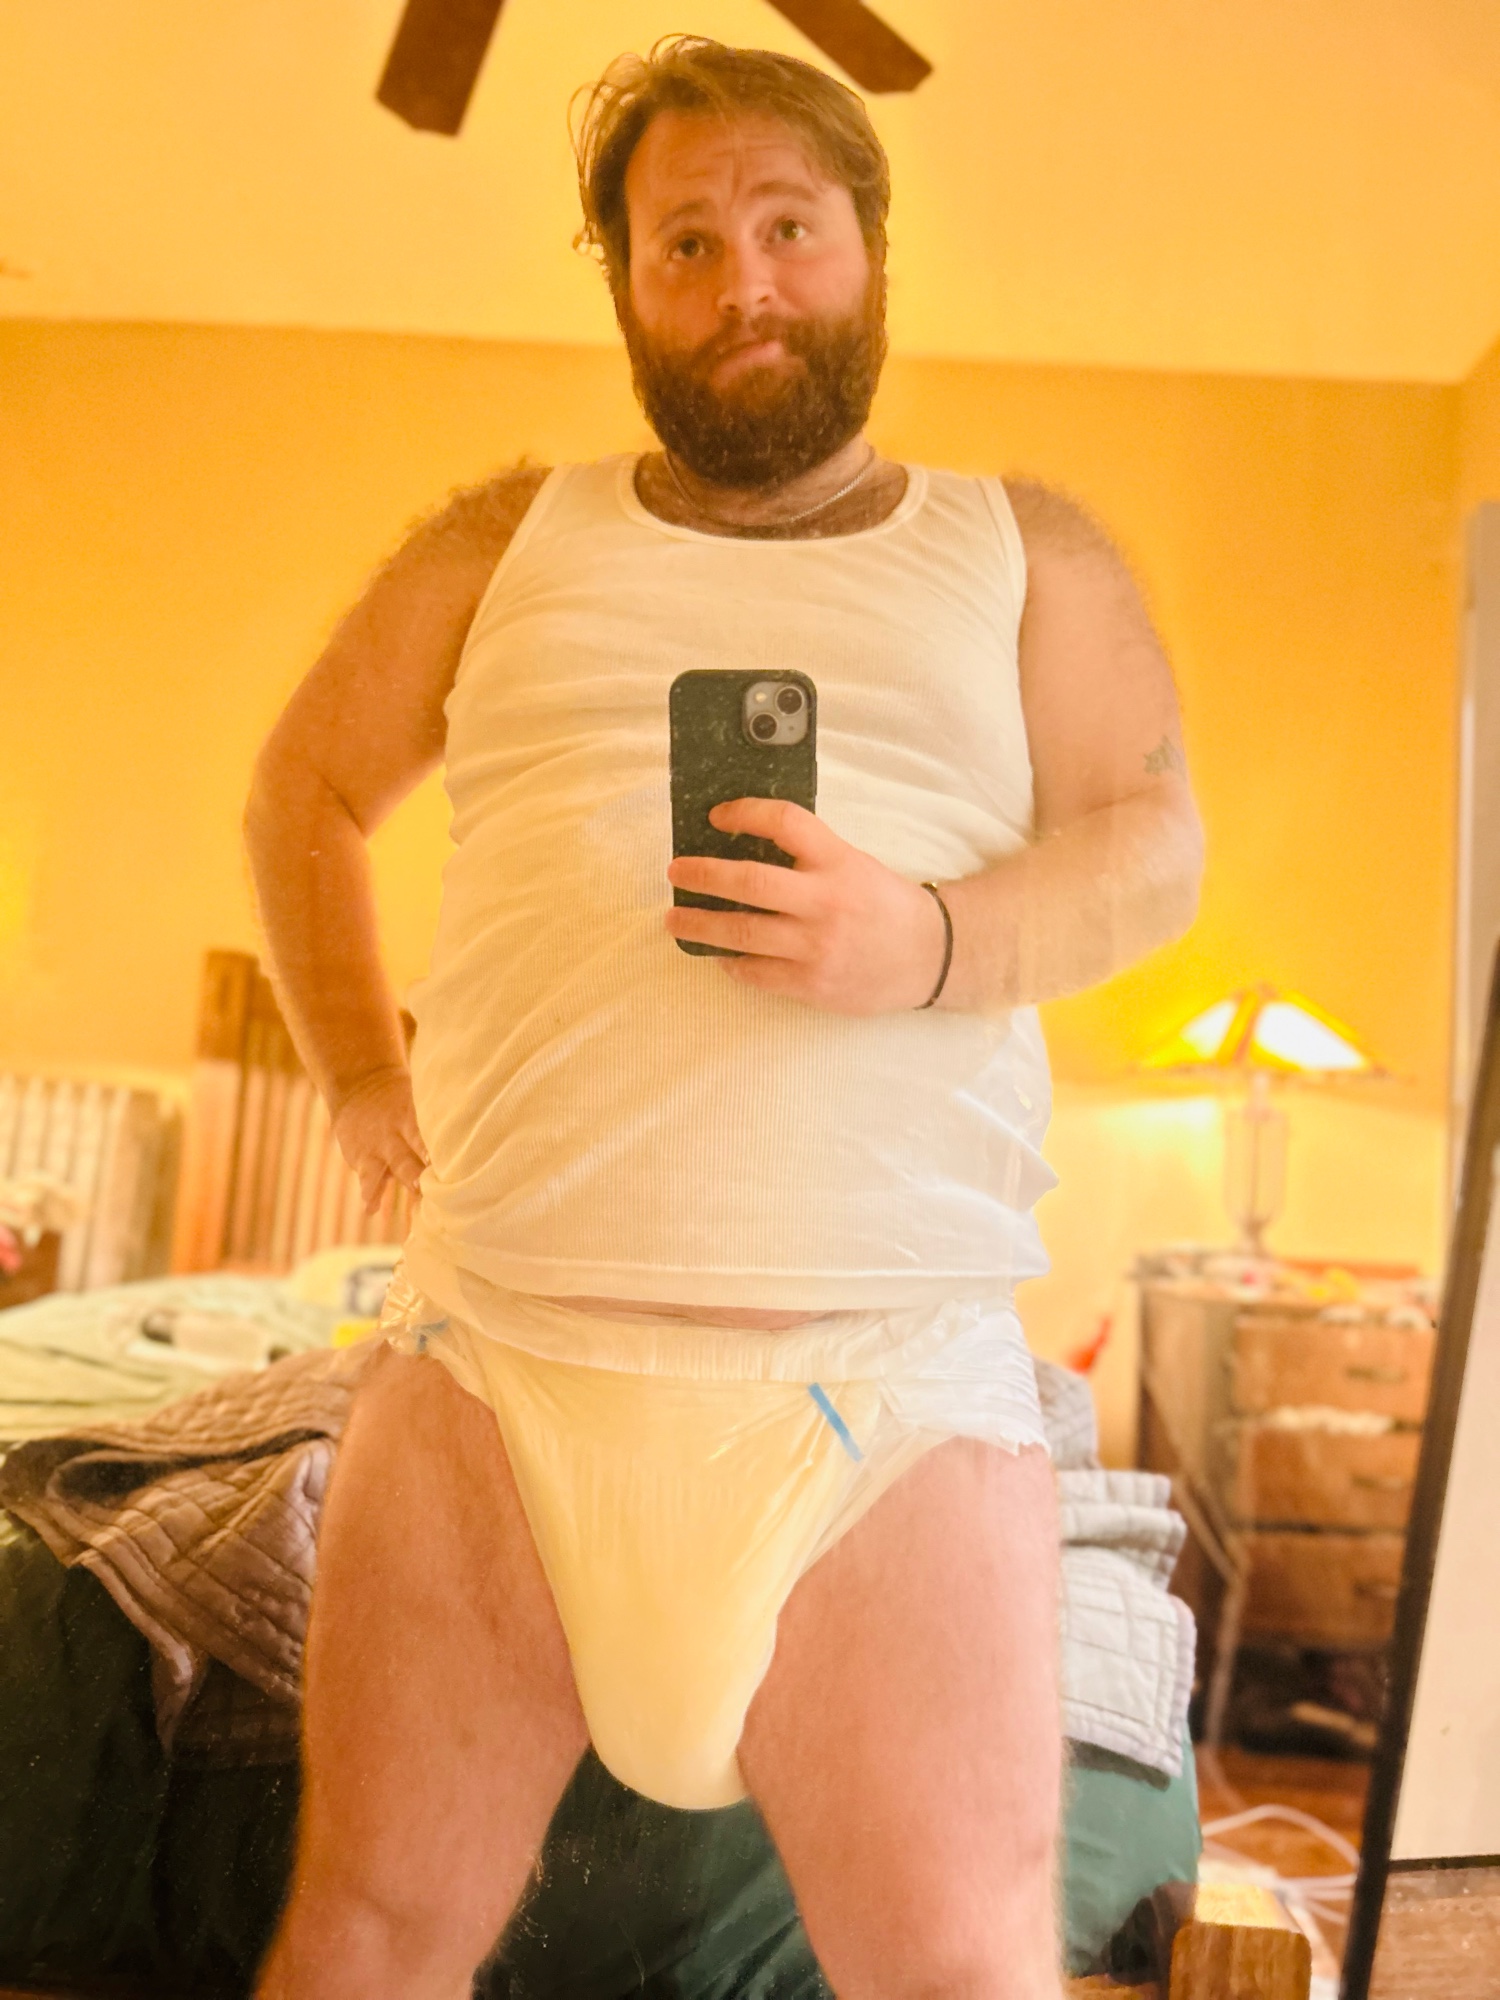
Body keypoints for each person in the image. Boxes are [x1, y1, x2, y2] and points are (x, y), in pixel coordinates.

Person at [246, 37, 1203, 2000]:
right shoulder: (504, 539)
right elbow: (303, 791)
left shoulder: (1028, 550)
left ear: (872, 246)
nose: (742, 279)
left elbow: (1154, 847)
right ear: (623, 284)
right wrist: (352, 1070)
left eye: (787, 225)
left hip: (886, 1401)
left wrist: (922, 937)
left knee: (959, 1969)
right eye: (683, 241)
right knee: (364, 1936)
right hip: (497, 1373)